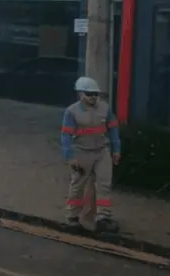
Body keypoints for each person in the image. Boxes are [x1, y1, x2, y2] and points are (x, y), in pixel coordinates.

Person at [60, 76, 121, 233]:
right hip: (82, 153)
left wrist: (116, 150)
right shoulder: (71, 112)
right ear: (81, 94)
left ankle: (103, 218)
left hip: (102, 151)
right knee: (77, 185)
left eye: (95, 94)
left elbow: (113, 129)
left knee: (104, 185)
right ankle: (72, 218)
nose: (93, 97)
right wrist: (70, 157)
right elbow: (66, 136)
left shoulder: (105, 108)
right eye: (89, 94)